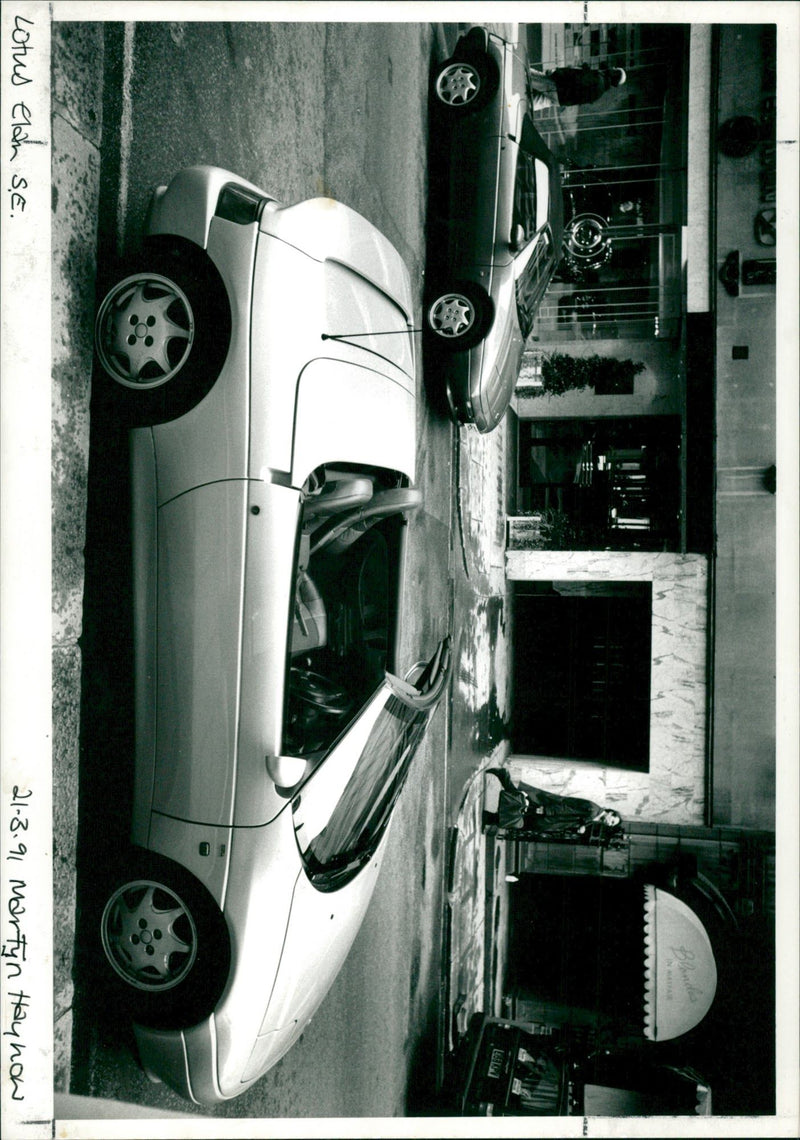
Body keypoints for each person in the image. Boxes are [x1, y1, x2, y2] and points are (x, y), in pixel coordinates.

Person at [482, 766, 623, 839]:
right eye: (612, 821)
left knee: (521, 814)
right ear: (610, 813)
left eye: (611, 825)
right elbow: (567, 809)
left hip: (550, 818)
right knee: (521, 814)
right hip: (550, 811)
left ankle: (490, 816)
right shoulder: (593, 810)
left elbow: (573, 819)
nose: (609, 824)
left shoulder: (594, 816)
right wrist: (547, 810)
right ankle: (491, 816)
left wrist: (580, 827)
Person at [529, 64, 626, 110]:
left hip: (558, 88)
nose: (612, 67)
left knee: (529, 76)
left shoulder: (598, 78)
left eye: (615, 68)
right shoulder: (600, 93)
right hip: (561, 101)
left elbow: (575, 78)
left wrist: (557, 73)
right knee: (530, 103)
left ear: (614, 74)